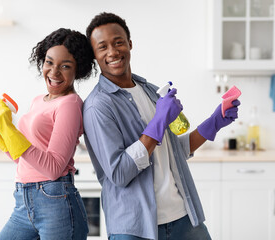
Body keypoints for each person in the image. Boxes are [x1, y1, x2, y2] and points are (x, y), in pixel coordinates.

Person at [83, 12, 240, 240]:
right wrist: (158, 121)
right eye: (102, 47)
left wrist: (214, 123)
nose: (113, 52)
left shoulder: (150, 90)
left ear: (130, 44)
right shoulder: (97, 106)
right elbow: (119, 173)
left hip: (184, 219)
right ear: (95, 56)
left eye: (118, 42)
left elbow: (171, 151)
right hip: (135, 228)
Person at [0, 28, 96, 240]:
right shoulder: (38, 100)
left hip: (56, 202)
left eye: (65, 66)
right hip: (23, 201)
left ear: (78, 70)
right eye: (49, 62)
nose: (54, 72)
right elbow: (23, 158)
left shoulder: (70, 105)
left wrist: (8, 129)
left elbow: (53, 168)